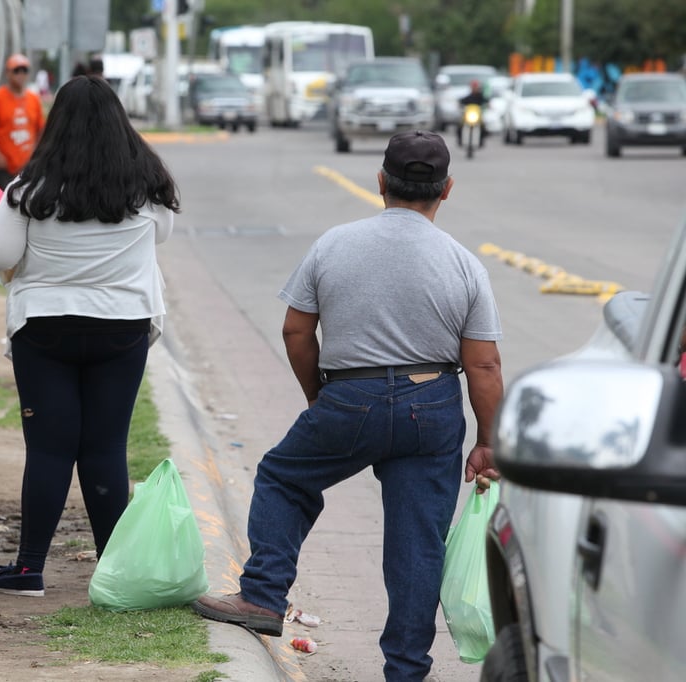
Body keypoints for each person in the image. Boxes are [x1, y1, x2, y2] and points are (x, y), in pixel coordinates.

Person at [191, 130, 503, 682]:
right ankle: (406, 668)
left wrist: (320, 399)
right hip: (431, 405)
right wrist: (487, 441)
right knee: (417, 537)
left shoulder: (334, 244)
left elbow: (295, 330)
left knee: (285, 478)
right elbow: (483, 366)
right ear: (446, 189)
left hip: (349, 395)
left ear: (379, 182)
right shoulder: (463, 265)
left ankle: (262, 595)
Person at [0, 75, 179, 597]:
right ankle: (114, 571)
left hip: (45, 330)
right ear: (121, 125)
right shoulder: (148, 189)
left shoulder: (27, 190)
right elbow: (163, 234)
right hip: (122, 328)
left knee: (48, 450)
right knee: (106, 446)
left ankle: (28, 570)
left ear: (55, 125)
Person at [0, 53, 46, 190]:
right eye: (16, 70)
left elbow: (42, 130)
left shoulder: (34, 99)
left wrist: (36, 153)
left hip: (27, 165)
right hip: (4, 167)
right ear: (8, 73)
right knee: (4, 202)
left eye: (24, 70)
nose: (20, 74)